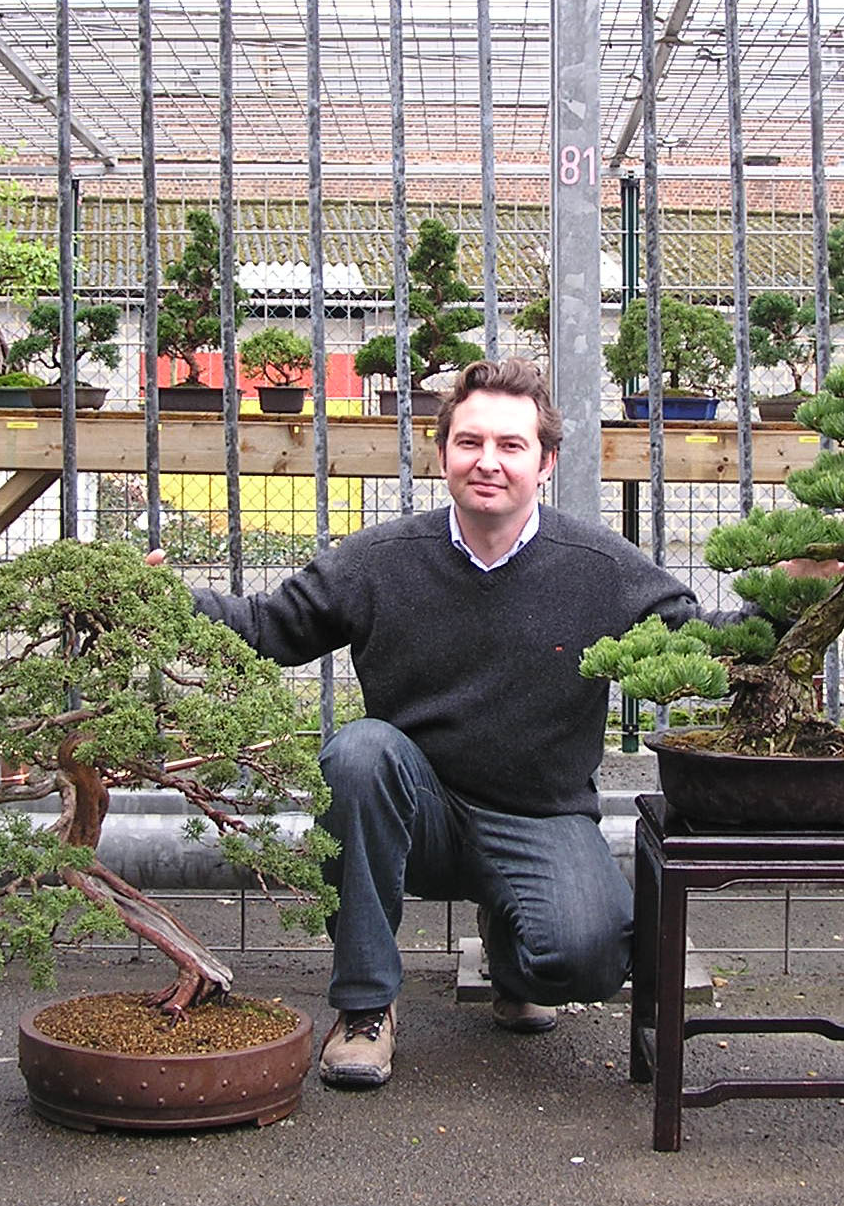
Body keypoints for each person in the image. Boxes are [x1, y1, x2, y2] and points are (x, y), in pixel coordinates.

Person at [177, 357, 717, 1090]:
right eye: (469, 442)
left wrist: (796, 608)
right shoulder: (380, 561)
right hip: (417, 810)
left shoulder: (600, 568)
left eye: (511, 445)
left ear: (546, 462)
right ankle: (366, 1005)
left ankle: (512, 947)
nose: (487, 461)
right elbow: (274, 626)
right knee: (358, 753)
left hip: (540, 814)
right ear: (442, 454)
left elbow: (702, 639)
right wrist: (169, 604)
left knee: (586, 959)